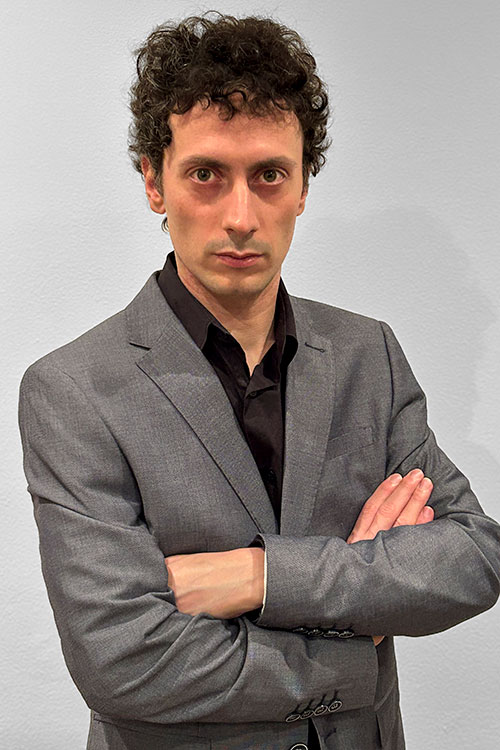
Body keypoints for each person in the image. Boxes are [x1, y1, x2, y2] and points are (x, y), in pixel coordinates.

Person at [18, 13, 500, 750]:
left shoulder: (368, 353)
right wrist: (357, 634)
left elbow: (472, 558)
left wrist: (257, 577)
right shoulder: (73, 390)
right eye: (205, 174)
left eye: (269, 175)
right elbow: (123, 662)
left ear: (303, 185)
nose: (241, 217)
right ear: (153, 180)